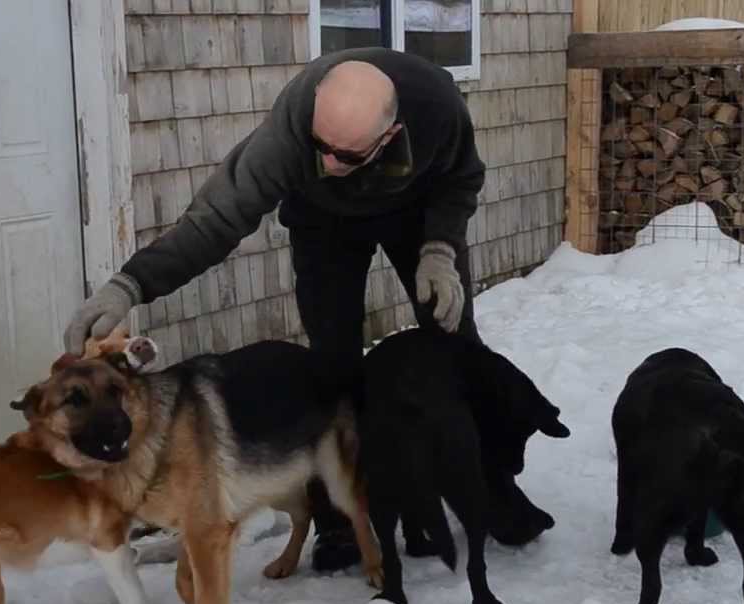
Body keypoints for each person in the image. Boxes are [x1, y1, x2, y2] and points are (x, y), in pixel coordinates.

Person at [63, 47, 486, 573]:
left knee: (455, 344)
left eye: (346, 156)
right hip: (325, 224)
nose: (329, 164)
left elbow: (461, 177)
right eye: (320, 148)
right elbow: (212, 223)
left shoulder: (437, 107)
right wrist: (128, 287)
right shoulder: (289, 133)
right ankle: (338, 524)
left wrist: (440, 248)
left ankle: (486, 484)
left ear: (391, 136)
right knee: (331, 367)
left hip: (416, 215)